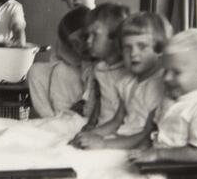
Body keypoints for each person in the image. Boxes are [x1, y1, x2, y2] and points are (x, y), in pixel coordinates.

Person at [129, 28, 197, 164]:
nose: (166, 78)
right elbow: (156, 131)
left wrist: (157, 154)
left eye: (176, 72)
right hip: (159, 166)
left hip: (185, 174)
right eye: (165, 70)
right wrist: (143, 149)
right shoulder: (171, 98)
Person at [72, 12, 171, 150]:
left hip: (141, 147)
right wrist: (90, 133)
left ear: (159, 49)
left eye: (142, 46)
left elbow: (147, 135)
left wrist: (104, 144)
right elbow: (116, 121)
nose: (133, 53)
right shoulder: (127, 82)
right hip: (122, 139)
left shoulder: (160, 85)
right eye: (127, 47)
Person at [76, 2, 131, 129]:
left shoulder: (127, 70)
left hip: (122, 129)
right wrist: (91, 123)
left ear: (115, 37)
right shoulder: (99, 68)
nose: (89, 41)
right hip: (102, 126)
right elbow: (99, 99)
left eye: (95, 35)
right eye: (88, 35)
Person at [30, 6, 92, 117]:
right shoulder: (80, 58)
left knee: (62, 71)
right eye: (75, 44)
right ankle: (50, 119)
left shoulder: (101, 60)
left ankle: (61, 120)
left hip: (89, 105)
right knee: (37, 70)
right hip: (73, 96)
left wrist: (84, 101)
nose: (82, 46)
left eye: (84, 37)